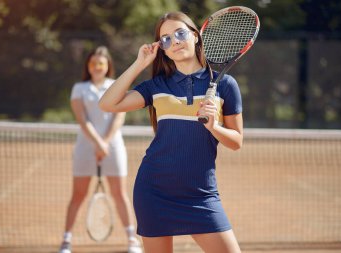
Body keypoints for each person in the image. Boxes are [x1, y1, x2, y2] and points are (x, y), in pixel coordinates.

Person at [99, 11, 243, 253]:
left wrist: (214, 126)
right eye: (165, 39)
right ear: (162, 49)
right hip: (154, 191)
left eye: (180, 33)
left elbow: (236, 141)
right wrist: (140, 63)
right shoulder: (156, 85)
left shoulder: (225, 85)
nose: (174, 41)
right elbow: (108, 103)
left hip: (201, 194)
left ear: (196, 36)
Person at [58, 46, 142, 253]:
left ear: (107, 66)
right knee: (78, 194)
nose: (97, 67)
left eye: (101, 63)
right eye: (93, 63)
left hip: (113, 147)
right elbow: (82, 119)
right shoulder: (79, 88)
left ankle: (133, 240)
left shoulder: (115, 85)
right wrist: (98, 143)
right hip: (85, 147)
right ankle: (66, 241)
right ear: (88, 66)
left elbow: (119, 116)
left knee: (119, 193)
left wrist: (105, 142)